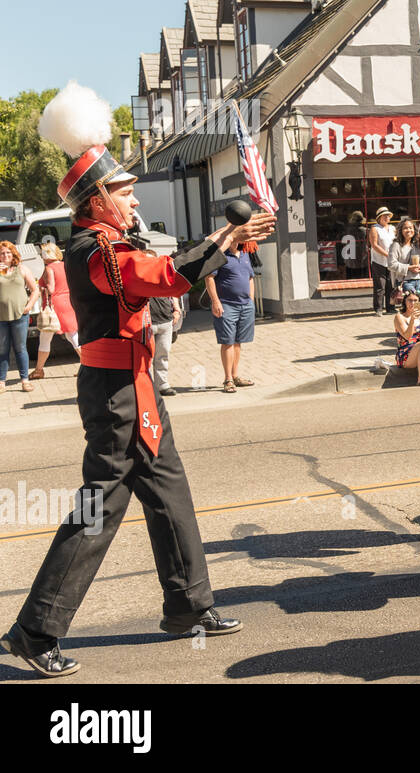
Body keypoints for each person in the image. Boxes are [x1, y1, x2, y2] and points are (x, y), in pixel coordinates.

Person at [2, 81, 274, 678]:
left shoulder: (111, 238)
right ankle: (34, 630)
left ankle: (188, 606)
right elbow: (162, 275)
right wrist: (223, 239)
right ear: (96, 199)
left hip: (138, 385)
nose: (131, 200)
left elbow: (164, 267)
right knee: (98, 510)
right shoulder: (90, 248)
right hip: (115, 395)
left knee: (170, 495)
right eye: (122, 192)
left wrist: (226, 240)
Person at [205, 236, 257, 394]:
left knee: (238, 342)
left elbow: (250, 278)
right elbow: (209, 278)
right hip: (226, 305)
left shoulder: (245, 254)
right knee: (227, 341)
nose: (243, 241)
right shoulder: (221, 255)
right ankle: (227, 379)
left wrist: (251, 301)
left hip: (245, 305)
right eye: (240, 237)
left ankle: (235, 376)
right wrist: (216, 302)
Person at [31, 241, 81, 381]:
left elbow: (51, 289)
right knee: (73, 335)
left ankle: (39, 370)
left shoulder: (49, 268)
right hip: (68, 301)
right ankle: (87, 366)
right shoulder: (65, 265)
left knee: (46, 337)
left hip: (54, 304)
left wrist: (40, 289)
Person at [0, 239, 40, 392]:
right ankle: (1, 382)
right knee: (2, 350)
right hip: (1, 318)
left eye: (8, 252)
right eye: (2, 253)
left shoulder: (22, 269)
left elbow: (35, 290)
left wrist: (29, 306)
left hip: (19, 316)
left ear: (13, 254)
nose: (5, 255)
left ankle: (25, 380)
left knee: (20, 348)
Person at [394, 290, 420, 385]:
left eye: (415, 300)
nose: (412, 303)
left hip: (419, 350)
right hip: (405, 354)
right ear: (405, 301)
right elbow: (407, 336)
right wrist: (412, 320)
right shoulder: (399, 317)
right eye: (410, 300)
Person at [148, 289, 181, 397]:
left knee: (163, 354)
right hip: (147, 320)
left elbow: (173, 288)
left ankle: (162, 385)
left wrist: (176, 308)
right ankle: (146, 385)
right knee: (146, 357)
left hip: (166, 318)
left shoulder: (165, 271)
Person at [368, 207, 396, 315]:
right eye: (385, 216)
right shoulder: (375, 228)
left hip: (391, 261)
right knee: (380, 286)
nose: (387, 217)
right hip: (379, 261)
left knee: (391, 285)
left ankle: (391, 308)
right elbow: (374, 245)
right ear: (379, 218)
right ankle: (378, 309)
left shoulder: (393, 228)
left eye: (388, 216)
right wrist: (387, 255)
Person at [388, 217, 420, 302]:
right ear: (401, 230)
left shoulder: (416, 245)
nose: (408, 230)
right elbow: (391, 264)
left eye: (410, 228)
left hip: (417, 280)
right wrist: (409, 268)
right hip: (404, 282)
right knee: (413, 304)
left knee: (414, 308)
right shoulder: (396, 245)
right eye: (405, 228)